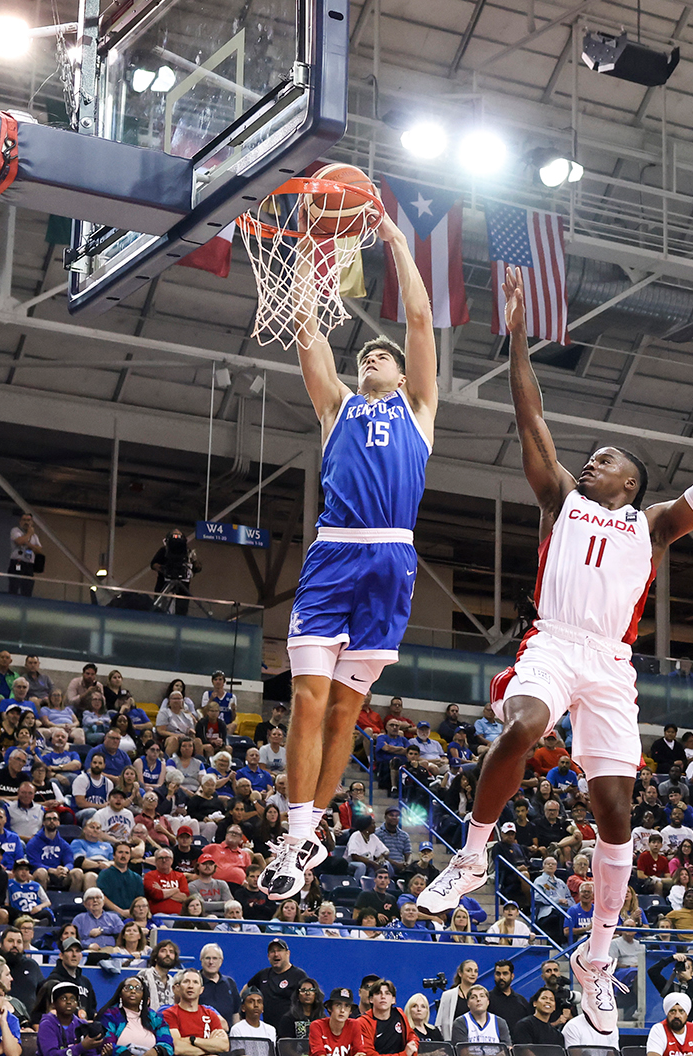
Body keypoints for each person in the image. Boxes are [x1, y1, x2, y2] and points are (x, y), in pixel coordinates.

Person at [420, 271, 693, 1032]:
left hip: (610, 664)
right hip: (552, 641)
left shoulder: (656, 524)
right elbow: (529, 411)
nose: (589, 463)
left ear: (630, 483)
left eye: (604, 459)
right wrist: (514, 332)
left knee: (615, 815)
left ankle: (596, 955)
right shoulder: (560, 501)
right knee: (523, 725)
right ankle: (474, 853)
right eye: (590, 457)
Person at [260, 214, 439, 900]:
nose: (373, 357)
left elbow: (420, 320)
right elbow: (307, 329)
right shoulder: (335, 405)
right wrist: (310, 255)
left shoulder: (418, 407)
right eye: (365, 353)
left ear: (399, 373)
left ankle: (311, 826)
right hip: (334, 555)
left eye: (382, 355)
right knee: (306, 698)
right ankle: (298, 831)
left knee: (344, 712)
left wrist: (394, 239)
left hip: (390, 563)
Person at [99, 975, 173, 1056]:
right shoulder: (110, 1015)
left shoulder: (155, 1017)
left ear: (143, 995)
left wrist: (155, 1051)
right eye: (128, 988)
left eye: (138, 988)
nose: (133, 991)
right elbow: (107, 1044)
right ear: (120, 994)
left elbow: (168, 1045)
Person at [162, 971, 228, 1056]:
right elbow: (177, 1048)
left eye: (195, 982)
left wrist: (192, 1040)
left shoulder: (210, 1014)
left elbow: (224, 1045)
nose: (190, 986)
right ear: (178, 988)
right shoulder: (169, 1014)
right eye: (186, 982)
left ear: (201, 990)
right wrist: (210, 1049)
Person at [308, 989, 365, 1056]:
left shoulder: (355, 1025)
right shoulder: (317, 1026)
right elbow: (319, 1053)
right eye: (338, 1005)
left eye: (347, 1006)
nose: (342, 1010)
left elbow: (359, 1051)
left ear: (350, 1011)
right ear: (330, 1008)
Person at [649, 992, 693, 1056]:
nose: (677, 1015)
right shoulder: (659, 1029)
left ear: (687, 1014)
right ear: (667, 1013)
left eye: (681, 1011)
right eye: (672, 1011)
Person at [229, 989, 277, 1056]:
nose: (256, 1005)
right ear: (243, 1007)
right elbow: (239, 1054)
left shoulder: (270, 1030)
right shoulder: (237, 1029)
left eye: (259, 1002)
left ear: (263, 1008)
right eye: (251, 1002)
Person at [6, 515, 41, 597]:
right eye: (24, 520)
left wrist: (29, 545)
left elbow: (39, 550)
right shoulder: (16, 531)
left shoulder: (35, 536)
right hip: (18, 563)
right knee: (15, 584)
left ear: (32, 522)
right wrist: (29, 533)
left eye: (28, 520)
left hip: (29, 565)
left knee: (27, 587)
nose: (26, 522)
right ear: (20, 521)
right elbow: (19, 541)